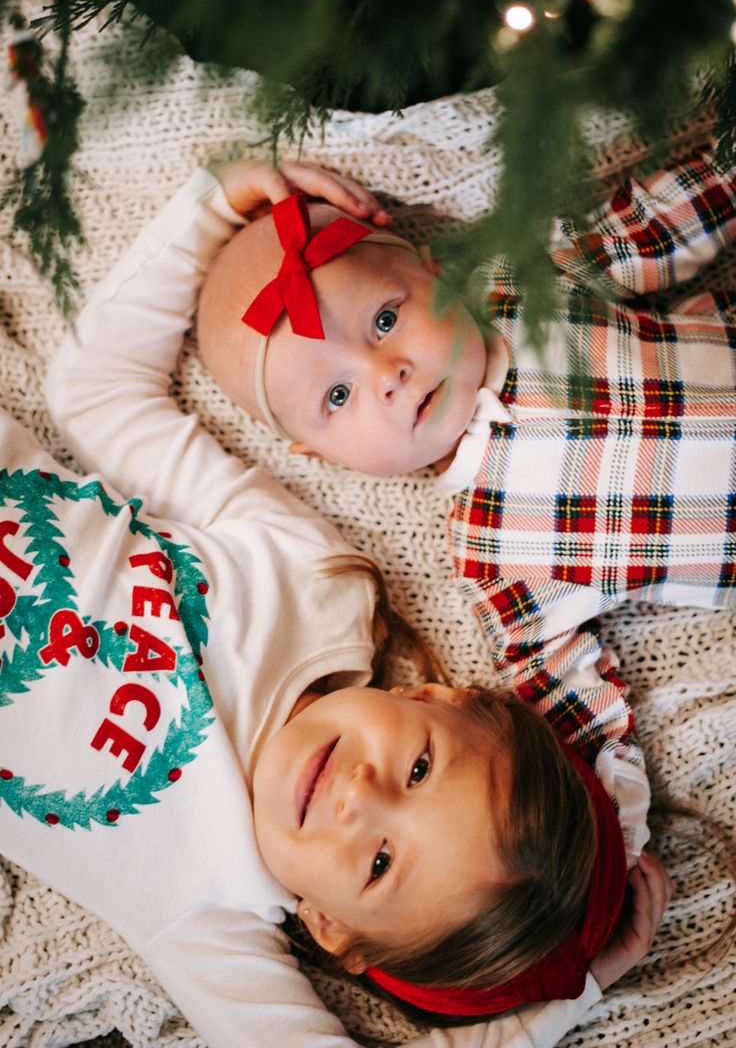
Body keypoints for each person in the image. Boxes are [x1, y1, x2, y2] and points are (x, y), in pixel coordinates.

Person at [0, 160, 670, 1048]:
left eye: (383, 863)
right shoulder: (309, 582)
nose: (360, 796)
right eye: (421, 769)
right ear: (433, 699)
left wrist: (567, 1003)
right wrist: (213, 209)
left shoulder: (205, 902)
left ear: (331, 928)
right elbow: (96, 394)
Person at [194, 146, 736, 870]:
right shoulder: (490, 553)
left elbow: (651, 228)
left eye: (386, 320)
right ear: (323, 457)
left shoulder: (527, 282)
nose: (387, 376)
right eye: (337, 396)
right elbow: (569, 692)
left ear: (437, 274)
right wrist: (621, 841)